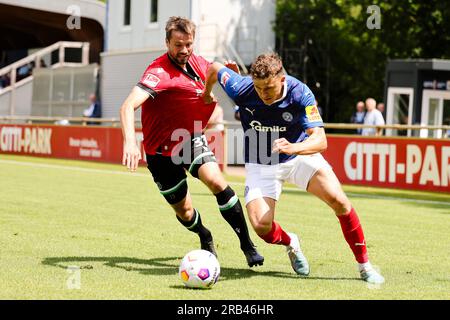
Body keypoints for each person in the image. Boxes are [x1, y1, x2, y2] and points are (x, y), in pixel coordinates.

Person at [202, 53, 384, 284]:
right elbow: (214, 68)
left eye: (268, 88)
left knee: (340, 202)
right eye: (258, 88)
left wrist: (294, 147)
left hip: (299, 155)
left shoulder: (300, 93)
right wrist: (207, 93)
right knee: (261, 226)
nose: (263, 94)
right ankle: (291, 243)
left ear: (282, 80)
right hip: (261, 162)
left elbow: (321, 140)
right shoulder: (241, 88)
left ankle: (364, 266)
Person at [119, 16, 263, 267]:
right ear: (167, 42)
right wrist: (130, 141)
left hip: (188, 139)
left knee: (217, 182)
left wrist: (230, 77)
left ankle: (247, 246)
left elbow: (217, 74)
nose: (184, 50)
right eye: (178, 44)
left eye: (188, 44)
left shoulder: (199, 63)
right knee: (184, 212)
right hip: (160, 153)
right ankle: (204, 235)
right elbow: (128, 105)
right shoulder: (158, 72)